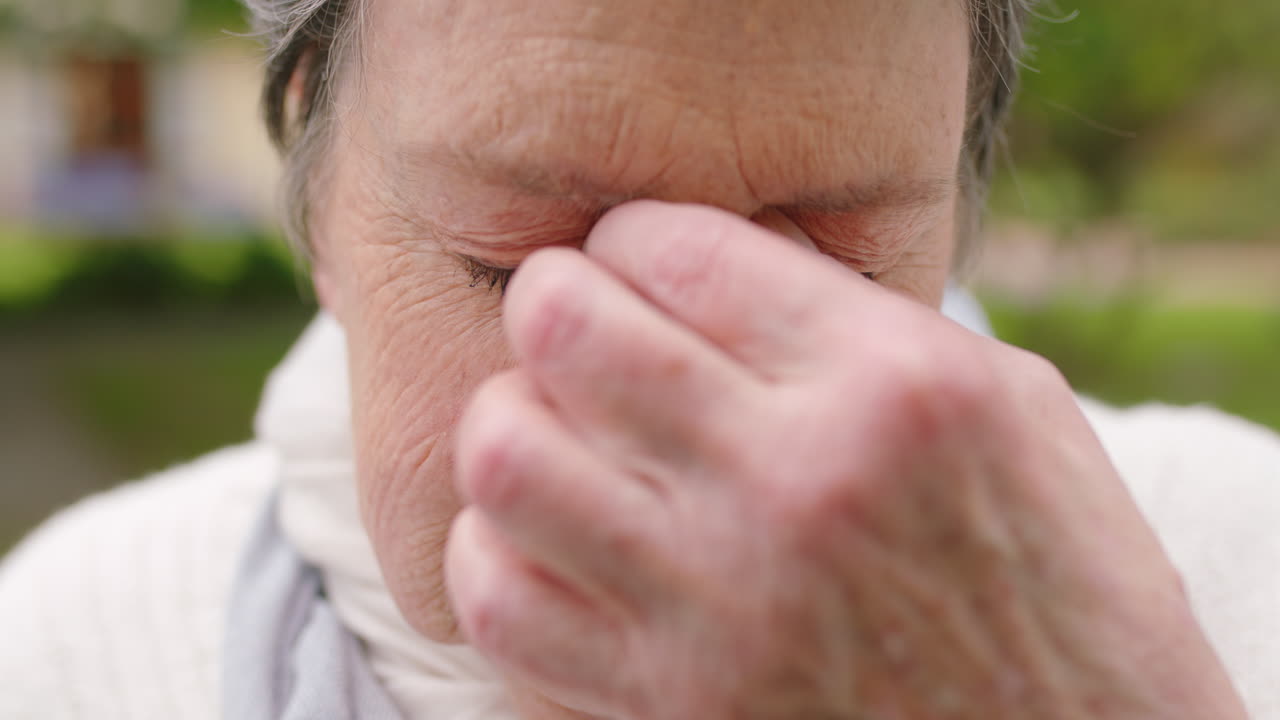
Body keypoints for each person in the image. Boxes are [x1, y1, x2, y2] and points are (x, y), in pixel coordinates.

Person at [2, 1, 1278, 718]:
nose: (668, 393)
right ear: (317, 181)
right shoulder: (71, 652)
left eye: (835, 258)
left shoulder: (1243, 567)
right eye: (513, 265)